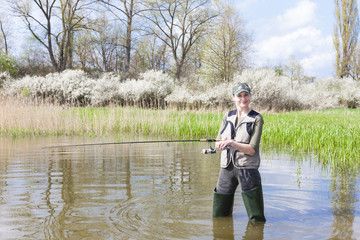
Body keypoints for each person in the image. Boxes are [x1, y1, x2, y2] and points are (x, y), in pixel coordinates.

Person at [212, 82, 266, 223]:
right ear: (233, 97)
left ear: (250, 96)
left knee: (256, 219)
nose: (243, 99)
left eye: (246, 95)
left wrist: (231, 143)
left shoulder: (257, 118)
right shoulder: (227, 116)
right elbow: (218, 141)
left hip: (248, 169)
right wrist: (219, 145)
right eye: (239, 95)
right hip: (227, 168)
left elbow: (252, 149)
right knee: (219, 216)